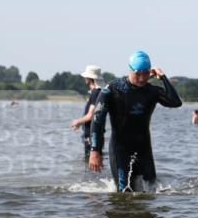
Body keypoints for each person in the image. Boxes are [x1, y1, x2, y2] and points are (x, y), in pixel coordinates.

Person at [88, 50, 183, 191]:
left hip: (144, 149)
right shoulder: (112, 90)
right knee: (124, 192)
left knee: (151, 191)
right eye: (138, 73)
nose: (142, 78)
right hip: (120, 149)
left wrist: (162, 77)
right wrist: (95, 151)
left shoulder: (152, 91)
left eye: (145, 73)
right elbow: (97, 120)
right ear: (130, 70)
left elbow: (175, 102)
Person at [70, 65, 103, 161]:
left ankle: (93, 177)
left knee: (91, 163)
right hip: (95, 134)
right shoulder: (97, 92)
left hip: (92, 135)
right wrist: (81, 123)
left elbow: (91, 115)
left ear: (90, 78)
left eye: (86, 76)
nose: (84, 78)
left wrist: (77, 121)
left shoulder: (95, 93)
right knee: (93, 163)